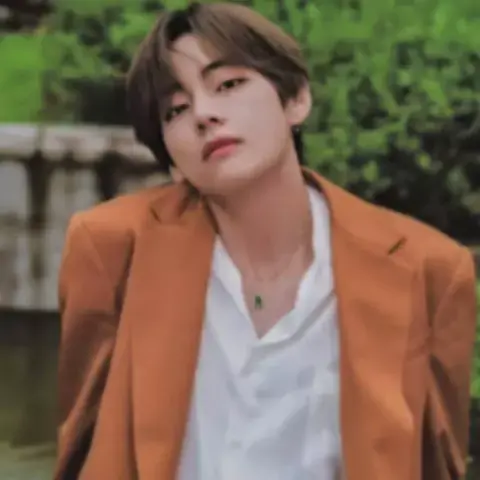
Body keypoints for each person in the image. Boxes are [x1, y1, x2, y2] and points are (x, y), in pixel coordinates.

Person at [53, 2, 477, 479]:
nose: (204, 114)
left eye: (228, 84)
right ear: (171, 159)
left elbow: (437, 464)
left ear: (295, 100)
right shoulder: (111, 247)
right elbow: (81, 447)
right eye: (176, 110)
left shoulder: (430, 270)